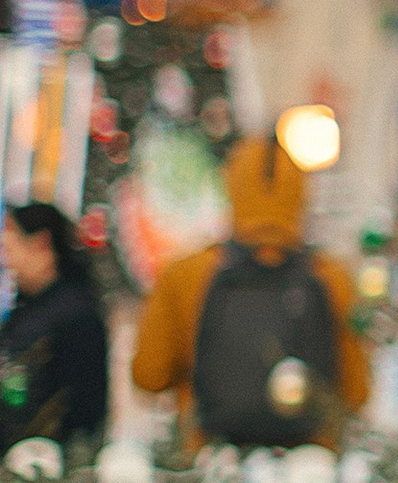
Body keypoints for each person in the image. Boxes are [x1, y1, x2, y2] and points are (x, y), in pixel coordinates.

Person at [130, 129, 370, 450]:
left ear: (231, 187)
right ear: (300, 194)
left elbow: (149, 375)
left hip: (211, 462)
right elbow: (356, 393)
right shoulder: (333, 278)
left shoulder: (185, 273)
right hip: (309, 465)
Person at [0, 201, 110, 456]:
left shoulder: (73, 315)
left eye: (10, 245)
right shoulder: (33, 309)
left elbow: (83, 407)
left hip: (44, 467)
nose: (6, 260)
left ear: (40, 243)